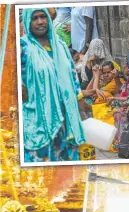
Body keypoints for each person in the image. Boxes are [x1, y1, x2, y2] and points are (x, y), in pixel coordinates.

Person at [20, 8, 85, 162]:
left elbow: (72, 76)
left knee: (66, 168)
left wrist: (80, 108)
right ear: (27, 22)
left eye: (43, 17)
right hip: (38, 116)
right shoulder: (23, 48)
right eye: (34, 18)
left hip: (65, 115)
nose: (40, 22)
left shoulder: (60, 45)